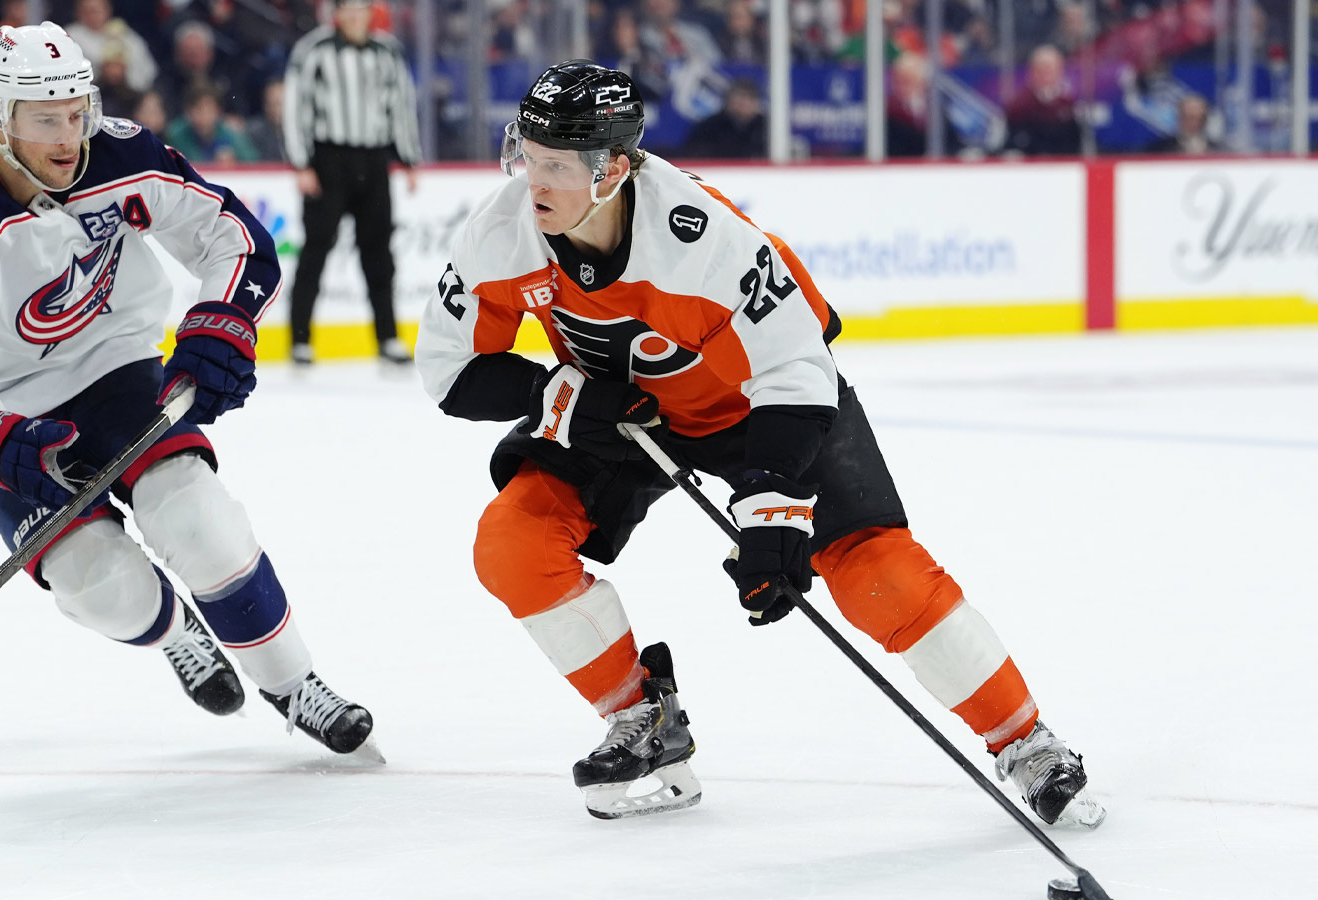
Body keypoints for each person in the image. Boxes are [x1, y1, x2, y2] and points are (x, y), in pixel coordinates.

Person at [414, 60, 1106, 825]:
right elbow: (448, 369)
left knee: (875, 573)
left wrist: (773, 506)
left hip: (760, 408)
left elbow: (799, 365)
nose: (529, 180)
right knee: (512, 542)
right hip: (629, 417)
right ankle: (645, 722)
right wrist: (558, 394)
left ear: (612, 169)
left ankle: (1025, 740)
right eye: (524, 154)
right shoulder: (501, 233)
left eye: (552, 165)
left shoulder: (703, 236)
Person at [0, 22, 375, 758]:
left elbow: (232, 234)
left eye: (77, 112)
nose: (67, 137)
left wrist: (221, 323)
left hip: (110, 366)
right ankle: (178, 631)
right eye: (44, 118)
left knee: (196, 516)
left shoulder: (119, 153)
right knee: (96, 584)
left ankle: (293, 681)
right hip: (5, 407)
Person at [282, 0, 420, 366]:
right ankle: (300, 339)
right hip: (329, 160)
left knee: (379, 252)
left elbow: (401, 104)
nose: (356, 17)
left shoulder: (388, 51)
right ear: (338, 14)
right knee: (316, 247)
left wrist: (408, 158)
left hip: (374, 161)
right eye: (350, 10)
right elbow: (297, 106)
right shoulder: (314, 50)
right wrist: (301, 163)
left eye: (362, 9)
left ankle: (388, 338)